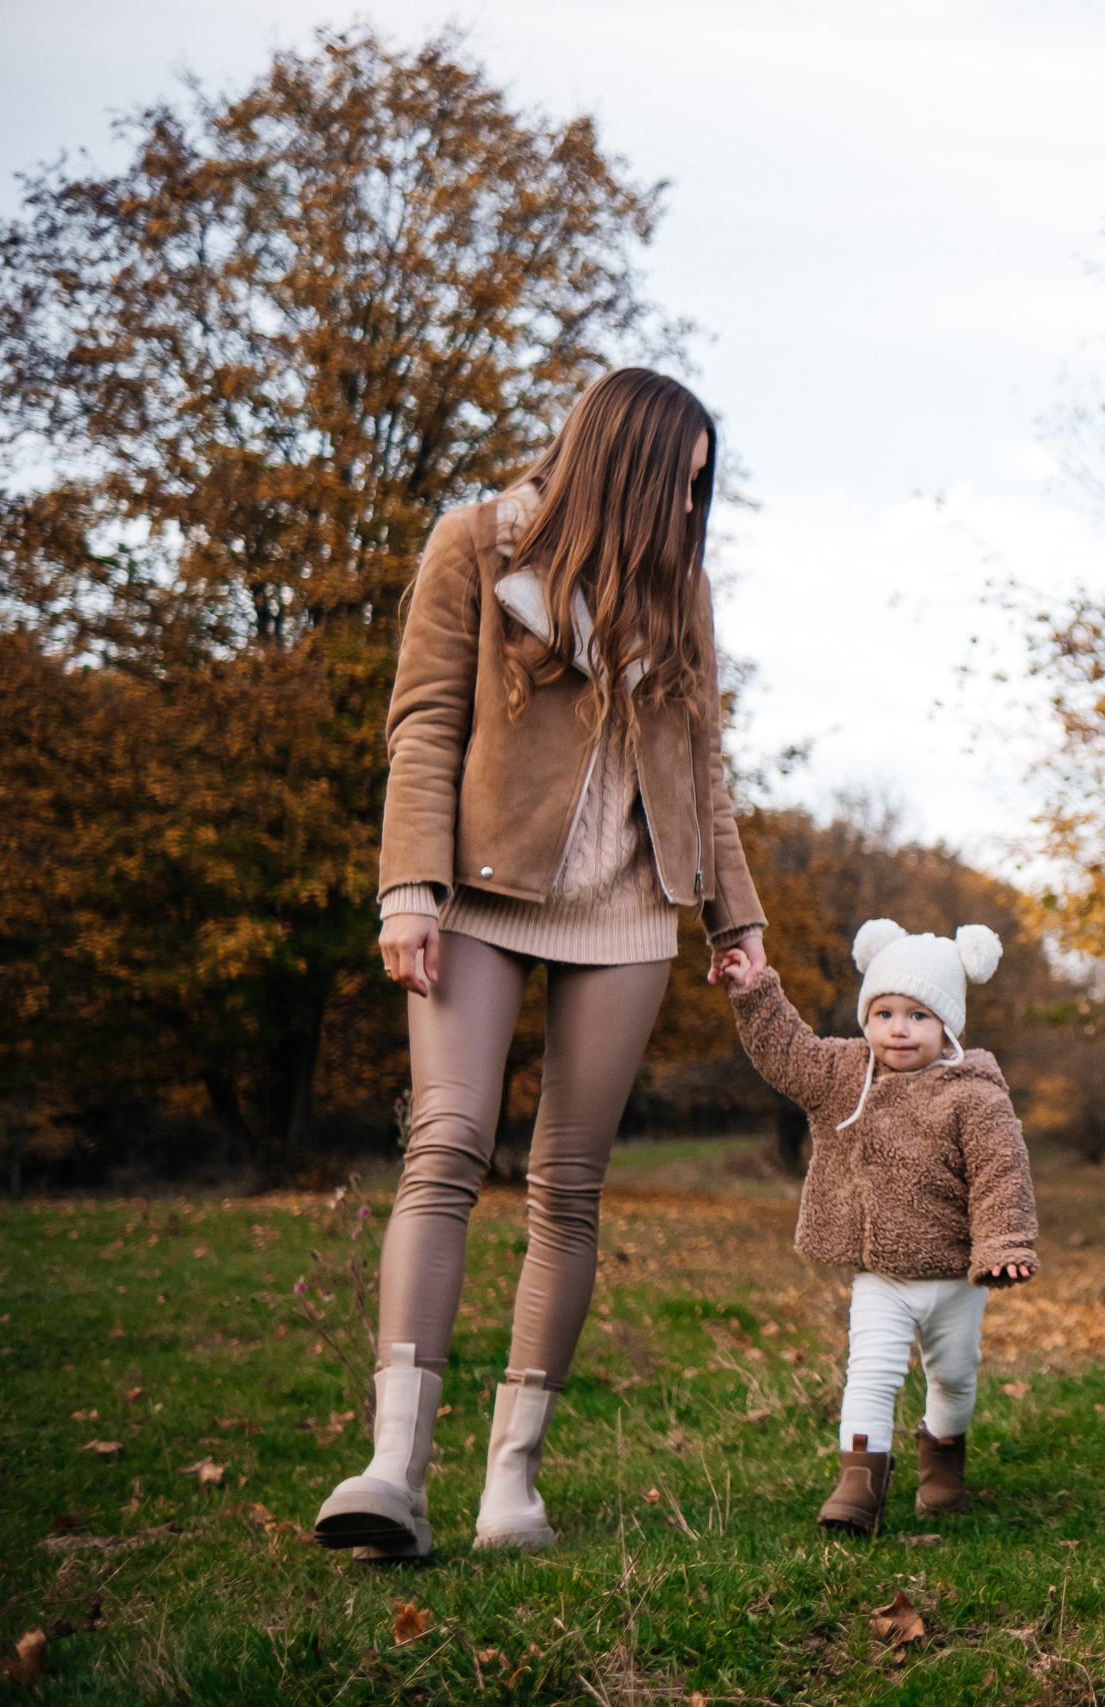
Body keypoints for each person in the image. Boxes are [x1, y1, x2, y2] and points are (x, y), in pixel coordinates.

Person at [315, 368, 767, 1560]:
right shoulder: (473, 545)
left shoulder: (683, 592)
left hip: (627, 906)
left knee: (569, 1186)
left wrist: (738, 917)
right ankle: (391, 1473)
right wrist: (404, 888)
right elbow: (423, 722)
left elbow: (703, 768)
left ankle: (510, 1483)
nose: (686, 506)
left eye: (699, 490)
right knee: (447, 1145)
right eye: (676, 480)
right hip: (474, 892)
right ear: (617, 461)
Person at [718, 918, 1038, 1534]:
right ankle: (859, 1482)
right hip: (881, 1272)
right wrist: (755, 989)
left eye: (918, 1015)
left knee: (953, 1371)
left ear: (947, 1025)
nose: (898, 1028)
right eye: (884, 1011)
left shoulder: (974, 1095)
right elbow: (786, 1052)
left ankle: (943, 1454)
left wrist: (1004, 1246)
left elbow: (1003, 1173)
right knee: (870, 1368)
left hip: (955, 1275)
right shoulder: (844, 1075)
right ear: (866, 1017)